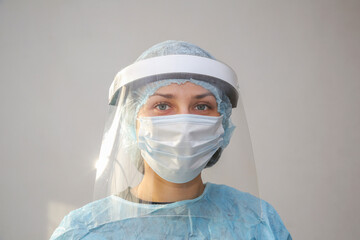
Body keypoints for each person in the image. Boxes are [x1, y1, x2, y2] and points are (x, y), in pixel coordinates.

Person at [50, 40, 292, 239]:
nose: (184, 124)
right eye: (163, 105)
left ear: (223, 123)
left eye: (202, 106)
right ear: (131, 122)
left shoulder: (256, 224)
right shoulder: (83, 231)